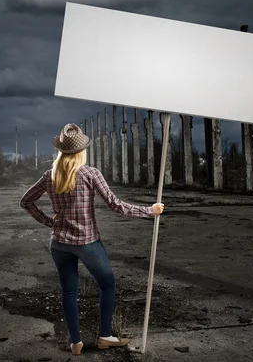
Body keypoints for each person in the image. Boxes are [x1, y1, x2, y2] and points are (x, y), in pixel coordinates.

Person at [20, 123, 164, 356]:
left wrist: (49, 222)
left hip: (59, 243)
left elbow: (25, 201)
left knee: (69, 292)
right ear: (81, 152)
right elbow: (116, 206)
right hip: (86, 243)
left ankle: (75, 343)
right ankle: (105, 336)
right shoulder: (90, 174)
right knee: (107, 284)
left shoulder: (50, 176)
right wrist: (150, 210)